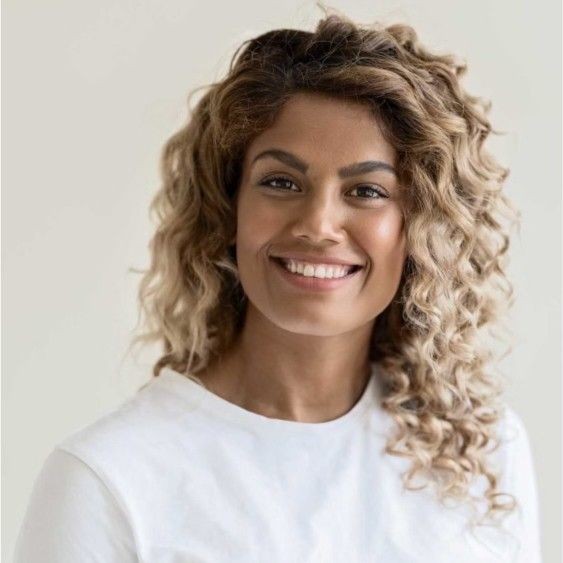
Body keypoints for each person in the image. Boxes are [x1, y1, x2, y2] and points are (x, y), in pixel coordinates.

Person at [14, 10, 542, 562]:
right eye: (281, 182)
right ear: (228, 211)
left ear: (423, 228)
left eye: (366, 191)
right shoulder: (110, 481)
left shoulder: (483, 454)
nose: (317, 224)